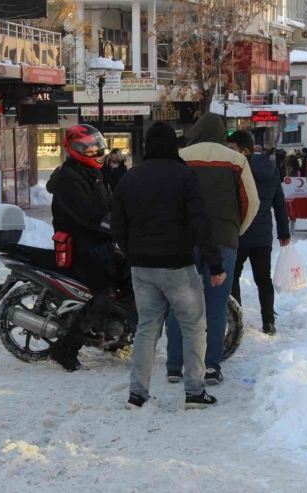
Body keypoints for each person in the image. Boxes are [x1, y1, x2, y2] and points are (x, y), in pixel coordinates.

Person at [113, 122, 224, 410]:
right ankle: (195, 392)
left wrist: (132, 253)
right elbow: (201, 222)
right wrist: (216, 263)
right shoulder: (185, 176)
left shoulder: (129, 178)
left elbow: (118, 226)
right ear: (174, 146)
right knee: (194, 327)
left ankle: (137, 394)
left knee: (147, 329)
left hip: (142, 268)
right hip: (178, 267)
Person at [165, 113, 259, 386]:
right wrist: (235, 230)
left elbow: (167, 198)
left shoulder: (180, 156)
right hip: (222, 241)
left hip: (183, 240)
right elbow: (251, 202)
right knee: (216, 306)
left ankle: (174, 364)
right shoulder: (236, 160)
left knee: (178, 302)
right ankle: (211, 366)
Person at [46, 124, 115, 372]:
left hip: (100, 241)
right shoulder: (68, 178)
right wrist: (115, 226)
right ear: (75, 150)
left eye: (98, 146)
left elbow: (110, 203)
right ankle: (66, 349)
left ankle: (114, 336)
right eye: (89, 149)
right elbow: (89, 214)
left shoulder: (91, 172)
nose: (96, 152)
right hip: (81, 245)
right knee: (105, 295)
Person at [226, 131, 291, 335]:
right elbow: (279, 203)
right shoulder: (271, 169)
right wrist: (283, 232)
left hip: (239, 233)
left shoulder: (236, 170)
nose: (229, 153)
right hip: (262, 236)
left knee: (232, 277)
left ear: (244, 151)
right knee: (263, 279)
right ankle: (268, 321)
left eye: (232, 149)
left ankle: (237, 321)